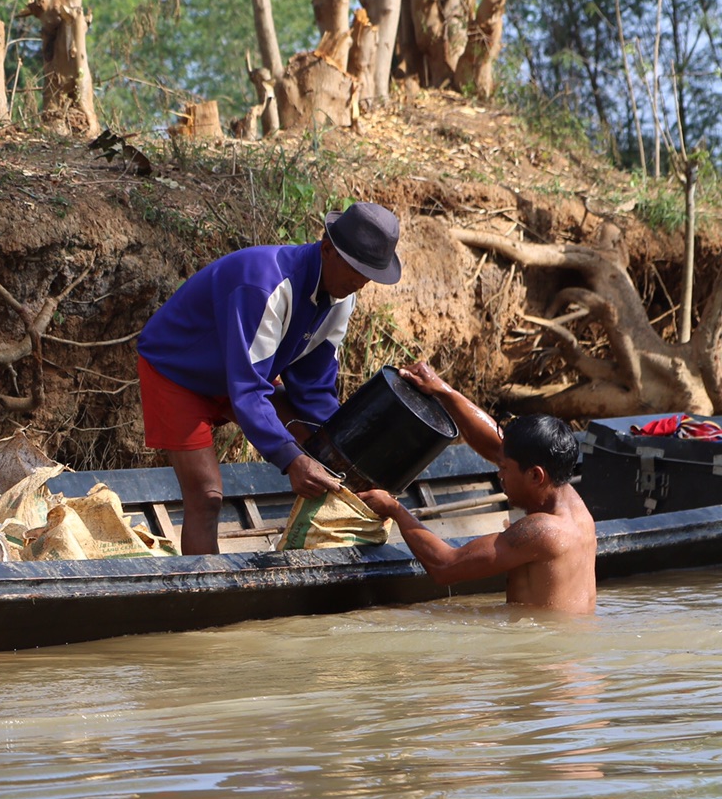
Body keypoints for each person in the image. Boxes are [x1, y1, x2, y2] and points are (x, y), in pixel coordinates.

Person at [137, 201, 404, 554]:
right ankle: (210, 600)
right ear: (327, 249)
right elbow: (248, 391)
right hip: (177, 371)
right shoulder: (265, 285)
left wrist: (350, 455)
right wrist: (292, 460)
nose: (361, 283)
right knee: (207, 496)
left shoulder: (342, 297)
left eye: (369, 275)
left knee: (324, 452)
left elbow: (314, 388)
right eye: (355, 270)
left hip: (243, 374)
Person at [357, 362, 597, 614]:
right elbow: (497, 446)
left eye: (504, 468)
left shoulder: (541, 530)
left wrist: (394, 508)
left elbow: (445, 567)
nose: (498, 472)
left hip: (541, 652)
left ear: (535, 476)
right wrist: (442, 390)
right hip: (566, 646)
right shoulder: (571, 504)